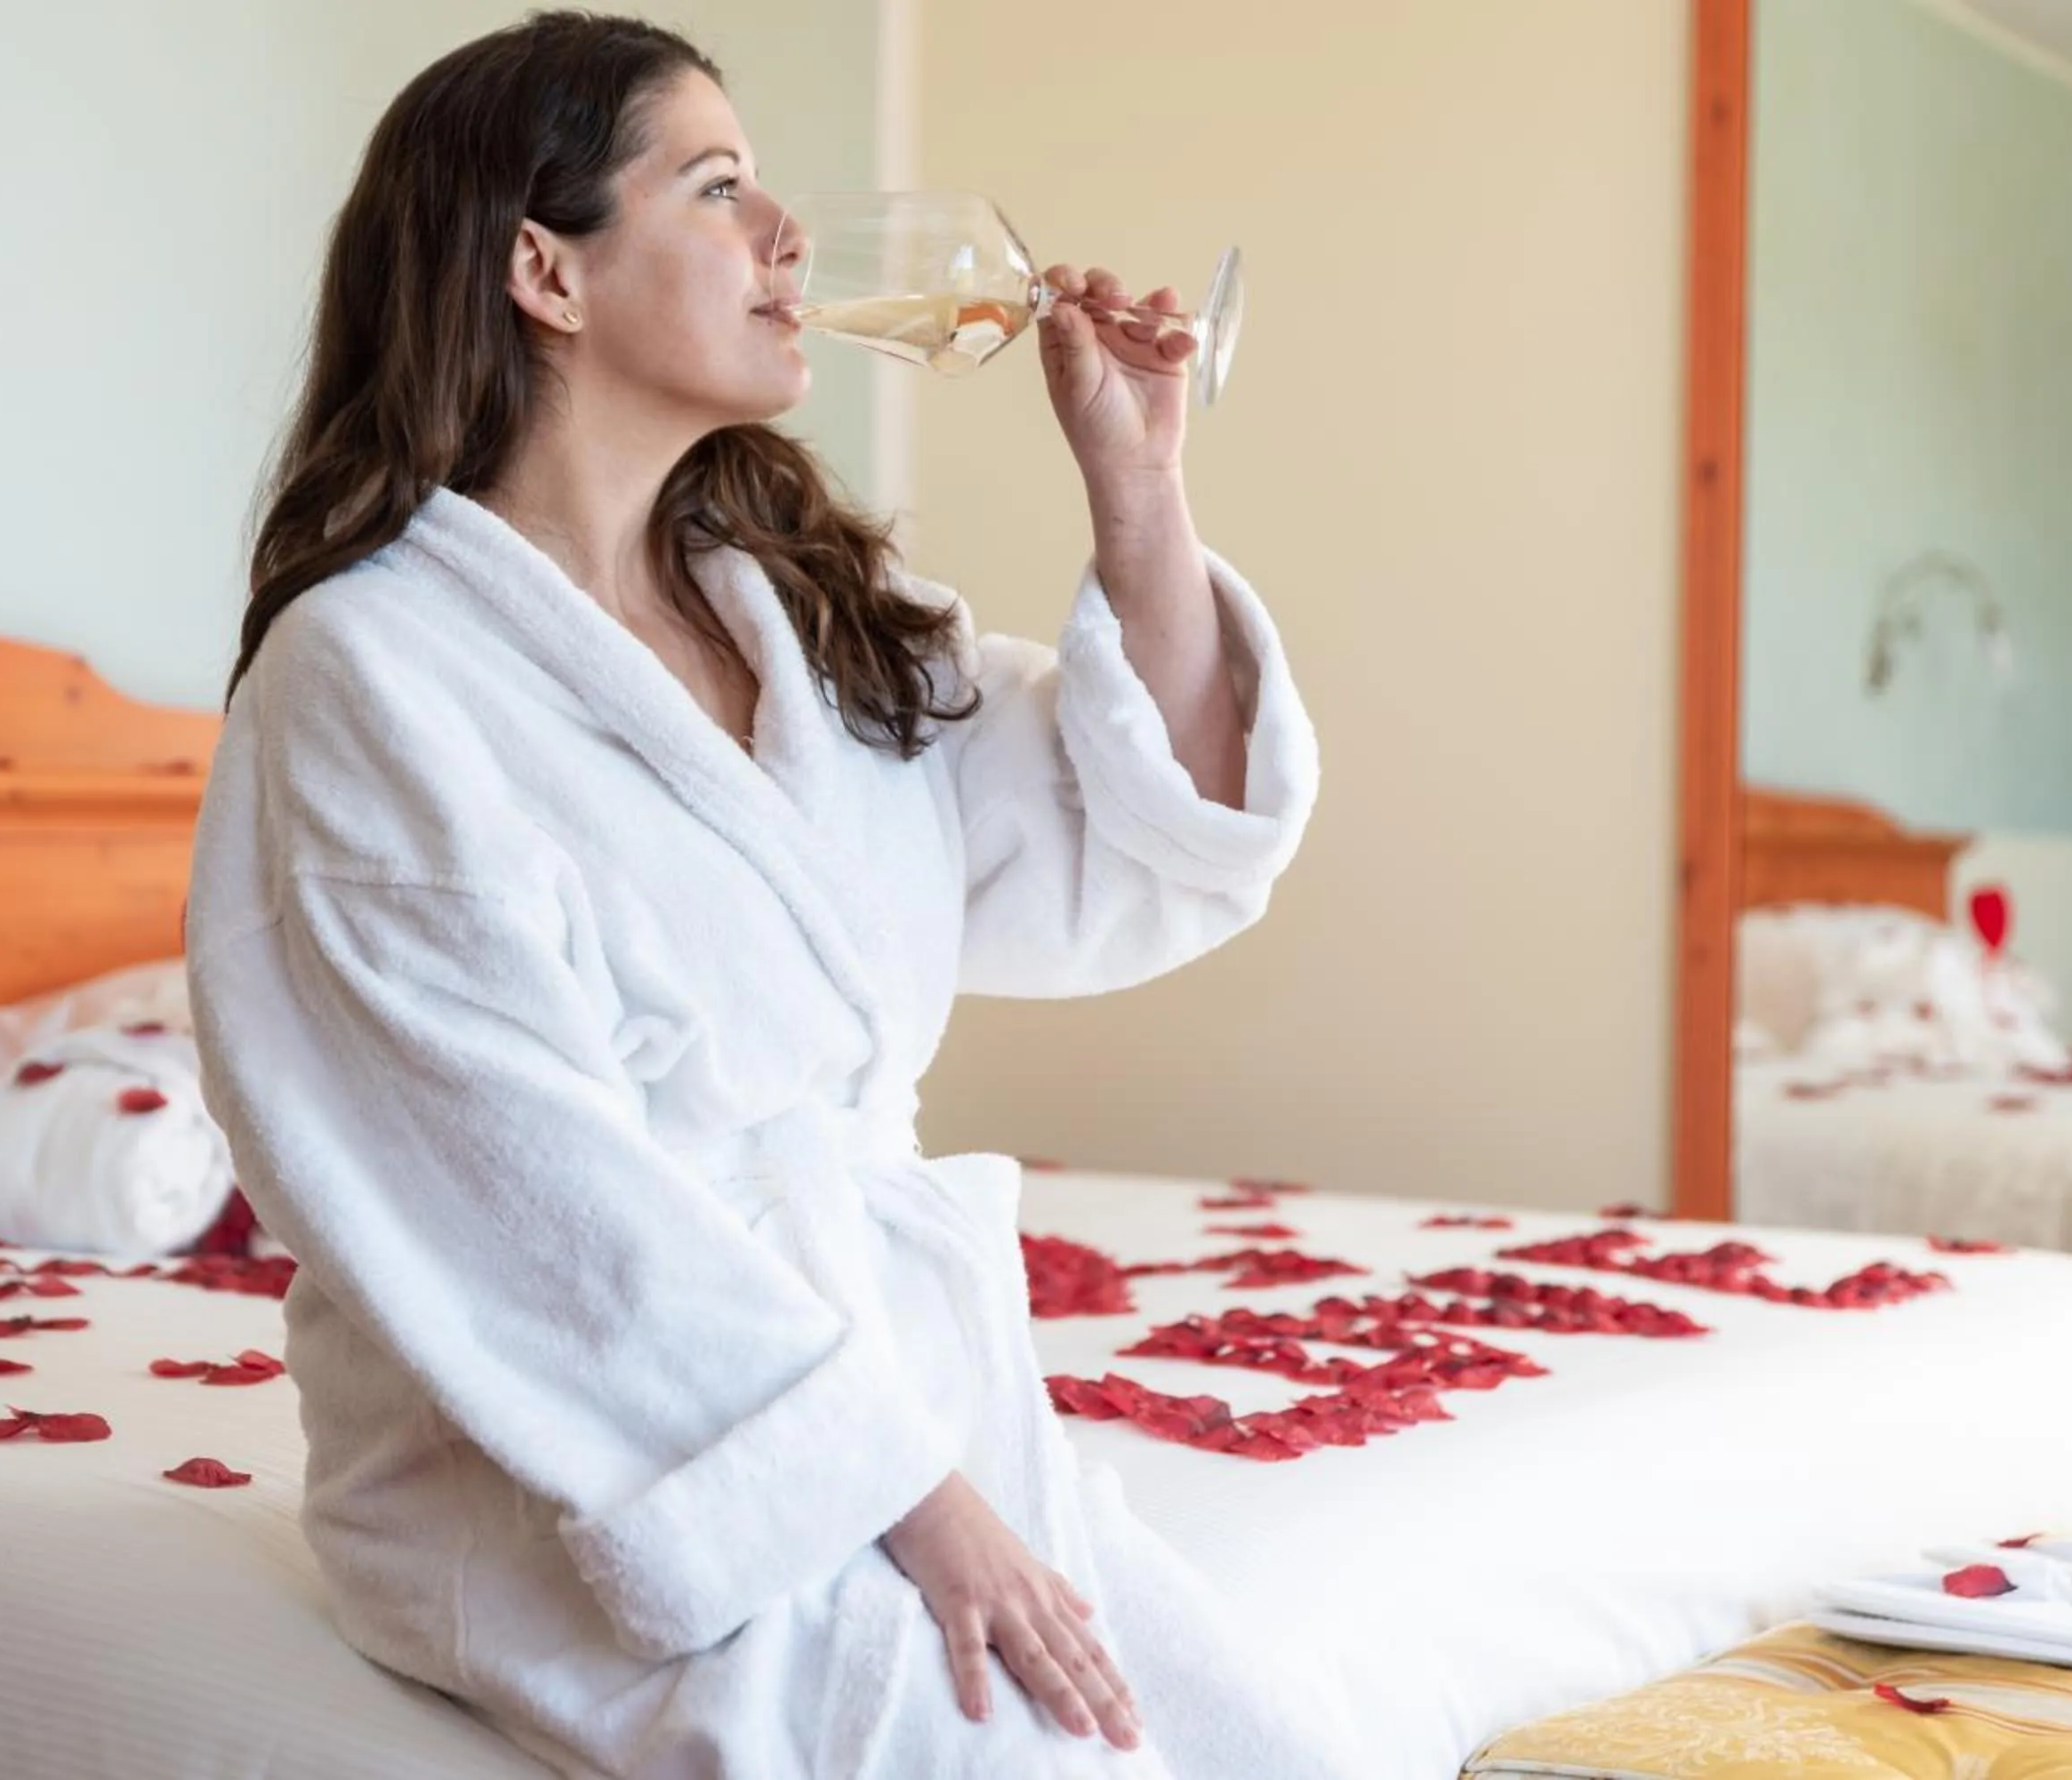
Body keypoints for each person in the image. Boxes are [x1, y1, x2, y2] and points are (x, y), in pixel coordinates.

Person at [186, 12, 1345, 1776]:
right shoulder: (372, 672)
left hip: (887, 1396)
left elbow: (1144, 832)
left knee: (1282, 1741)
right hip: (587, 1466)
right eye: (717, 186)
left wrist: (1138, 490)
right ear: (541, 270)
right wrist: (904, 1496)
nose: (789, 234)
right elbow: (520, 1187)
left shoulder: (795, 612)